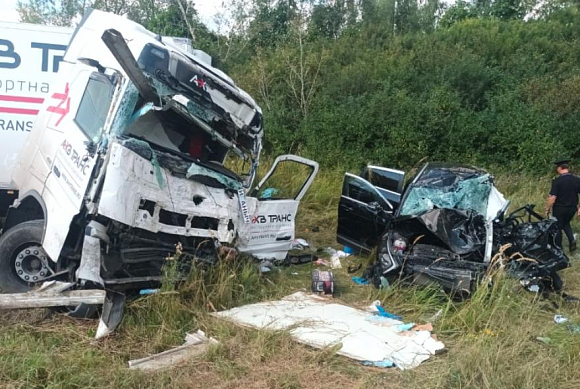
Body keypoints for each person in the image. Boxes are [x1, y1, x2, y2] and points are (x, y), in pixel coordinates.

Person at [545, 159, 580, 252]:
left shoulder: (557, 181)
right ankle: (572, 240)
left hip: (560, 208)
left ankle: (558, 248)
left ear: (560, 168)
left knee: (557, 226)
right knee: (566, 223)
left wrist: (547, 208)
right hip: (572, 208)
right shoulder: (577, 180)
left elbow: (553, 197)